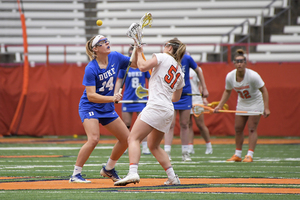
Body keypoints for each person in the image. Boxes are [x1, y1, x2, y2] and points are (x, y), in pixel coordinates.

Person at [114, 38, 186, 186]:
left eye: (166, 45)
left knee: (133, 138)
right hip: (168, 109)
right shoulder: (180, 70)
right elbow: (176, 98)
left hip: (156, 106)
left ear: (170, 48)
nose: (164, 47)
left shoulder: (162, 56)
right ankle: (172, 177)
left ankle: (133, 172)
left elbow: (142, 67)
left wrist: (139, 50)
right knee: (153, 145)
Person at [69, 35, 137, 183]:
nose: (107, 43)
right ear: (95, 49)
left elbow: (135, 64)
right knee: (93, 139)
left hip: (106, 107)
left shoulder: (115, 57)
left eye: (107, 41)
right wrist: (112, 98)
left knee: (127, 139)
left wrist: (138, 48)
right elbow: (91, 96)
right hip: (90, 106)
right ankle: (75, 174)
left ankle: (108, 169)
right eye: (102, 42)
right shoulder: (91, 68)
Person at [214, 49, 270, 162]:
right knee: (238, 128)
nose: (239, 64)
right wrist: (220, 105)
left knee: (252, 128)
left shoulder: (253, 76)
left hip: (255, 102)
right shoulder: (230, 76)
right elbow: (227, 91)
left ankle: (249, 155)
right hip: (243, 103)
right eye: (237, 62)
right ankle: (237, 154)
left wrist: (266, 107)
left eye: (242, 61)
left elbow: (264, 90)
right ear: (234, 63)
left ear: (245, 63)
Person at [164, 53, 209, 161]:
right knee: (170, 124)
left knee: (185, 124)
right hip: (172, 94)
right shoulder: (166, 58)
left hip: (185, 95)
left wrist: (204, 88)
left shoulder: (187, 58)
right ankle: (167, 153)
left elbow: (199, 70)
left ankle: (185, 152)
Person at [115, 46, 151, 155]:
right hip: (127, 98)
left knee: (144, 124)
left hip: (141, 99)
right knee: (126, 124)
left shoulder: (143, 65)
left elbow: (151, 79)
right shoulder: (125, 67)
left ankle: (145, 146)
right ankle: (125, 145)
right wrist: (116, 93)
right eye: (131, 53)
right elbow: (119, 81)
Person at [188, 67, 213, 155]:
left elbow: (201, 84)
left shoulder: (196, 69)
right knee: (188, 124)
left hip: (196, 99)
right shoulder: (179, 68)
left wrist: (204, 98)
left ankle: (208, 145)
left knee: (200, 124)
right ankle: (190, 147)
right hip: (186, 99)